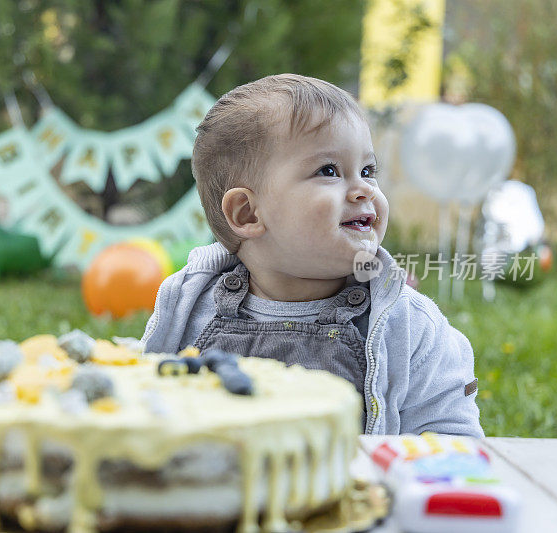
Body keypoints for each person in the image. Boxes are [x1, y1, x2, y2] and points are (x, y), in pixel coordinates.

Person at [142, 74, 483, 437]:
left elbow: (451, 442)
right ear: (248, 214)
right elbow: (145, 408)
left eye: (367, 171)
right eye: (329, 171)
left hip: (353, 490)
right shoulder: (188, 308)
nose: (364, 189)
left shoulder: (408, 326)